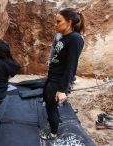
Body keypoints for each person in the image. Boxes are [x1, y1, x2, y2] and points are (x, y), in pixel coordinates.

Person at [41, 8, 85, 140]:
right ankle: (56, 120)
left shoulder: (75, 39)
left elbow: (71, 66)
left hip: (58, 81)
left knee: (50, 107)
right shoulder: (64, 37)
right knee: (49, 103)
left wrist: (62, 89)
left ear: (69, 22)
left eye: (59, 21)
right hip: (52, 77)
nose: (56, 24)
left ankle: (53, 134)